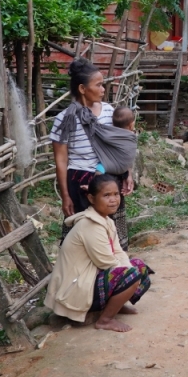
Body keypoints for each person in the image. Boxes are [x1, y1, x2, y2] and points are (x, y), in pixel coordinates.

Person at [46, 173, 153, 332]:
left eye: (116, 194)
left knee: (139, 267)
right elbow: (106, 262)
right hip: (75, 290)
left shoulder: (106, 220)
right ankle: (105, 320)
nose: (113, 199)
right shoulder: (90, 225)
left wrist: (129, 269)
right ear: (91, 198)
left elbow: (118, 250)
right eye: (106, 195)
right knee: (130, 275)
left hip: (91, 279)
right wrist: (128, 274)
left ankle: (116, 304)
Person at [52, 59, 138, 248]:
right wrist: (65, 196)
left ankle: (114, 274)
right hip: (80, 181)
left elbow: (121, 145)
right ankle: (85, 275)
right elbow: (61, 160)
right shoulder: (65, 119)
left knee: (112, 236)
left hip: (109, 180)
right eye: (98, 85)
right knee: (84, 236)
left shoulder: (110, 112)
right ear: (83, 89)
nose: (102, 89)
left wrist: (127, 173)